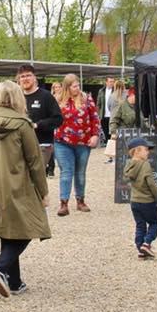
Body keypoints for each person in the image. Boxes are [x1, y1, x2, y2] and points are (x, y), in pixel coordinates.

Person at [0, 80, 50, 298]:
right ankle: (0, 267)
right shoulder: (23, 124)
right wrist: (43, 191)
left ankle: (14, 281)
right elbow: (34, 160)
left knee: (9, 228)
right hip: (19, 183)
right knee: (32, 226)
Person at [53, 73, 100, 216]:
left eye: (78, 85)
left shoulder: (86, 99)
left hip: (83, 141)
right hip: (62, 141)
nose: (77, 88)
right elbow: (52, 118)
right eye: (74, 86)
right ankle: (64, 203)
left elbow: (94, 118)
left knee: (80, 173)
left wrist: (95, 135)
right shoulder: (58, 100)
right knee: (66, 171)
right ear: (67, 87)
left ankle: (80, 200)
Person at [17, 64, 63, 171]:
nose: (25, 79)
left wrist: (38, 125)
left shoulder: (45, 96)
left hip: (41, 144)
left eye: (28, 75)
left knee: (35, 179)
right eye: (22, 76)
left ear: (34, 77)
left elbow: (58, 119)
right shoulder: (17, 97)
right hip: (20, 145)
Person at [124, 136, 157, 258]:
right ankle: (147, 243)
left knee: (140, 225)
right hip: (147, 201)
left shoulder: (128, 165)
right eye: (146, 149)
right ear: (137, 151)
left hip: (134, 201)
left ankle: (140, 249)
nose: (148, 152)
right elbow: (151, 183)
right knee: (155, 223)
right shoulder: (145, 165)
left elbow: (126, 178)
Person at [96, 77, 118, 144]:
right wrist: (98, 114)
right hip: (104, 114)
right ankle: (107, 143)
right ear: (106, 82)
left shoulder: (115, 90)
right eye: (110, 81)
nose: (112, 83)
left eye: (113, 81)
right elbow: (98, 103)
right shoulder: (101, 91)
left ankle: (111, 143)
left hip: (113, 114)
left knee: (112, 130)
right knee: (105, 129)